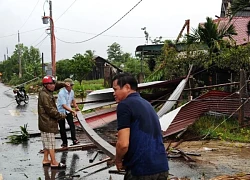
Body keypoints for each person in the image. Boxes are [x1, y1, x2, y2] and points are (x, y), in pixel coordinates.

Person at [112, 73, 169, 180]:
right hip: (161, 168)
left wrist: (118, 160)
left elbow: (123, 144)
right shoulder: (147, 104)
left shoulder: (124, 105)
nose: (114, 94)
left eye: (115, 89)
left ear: (127, 87)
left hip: (141, 170)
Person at [38, 75, 67, 169]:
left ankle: (46, 159)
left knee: (46, 143)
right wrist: (62, 116)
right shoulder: (45, 95)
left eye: (54, 83)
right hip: (48, 123)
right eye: (52, 84)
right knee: (51, 144)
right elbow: (50, 110)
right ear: (46, 85)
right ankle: (54, 162)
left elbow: (56, 86)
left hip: (45, 123)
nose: (54, 85)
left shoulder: (46, 91)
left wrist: (64, 84)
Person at [57, 78, 80, 148]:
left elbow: (73, 100)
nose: (72, 87)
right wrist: (72, 111)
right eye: (71, 85)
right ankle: (64, 142)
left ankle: (74, 139)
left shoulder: (71, 92)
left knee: (72, 125)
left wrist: (76, 106)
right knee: (62, 128)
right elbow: (64, 105)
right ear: (66, 86)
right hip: (61, 111)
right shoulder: (61, 93)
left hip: (68, 110)